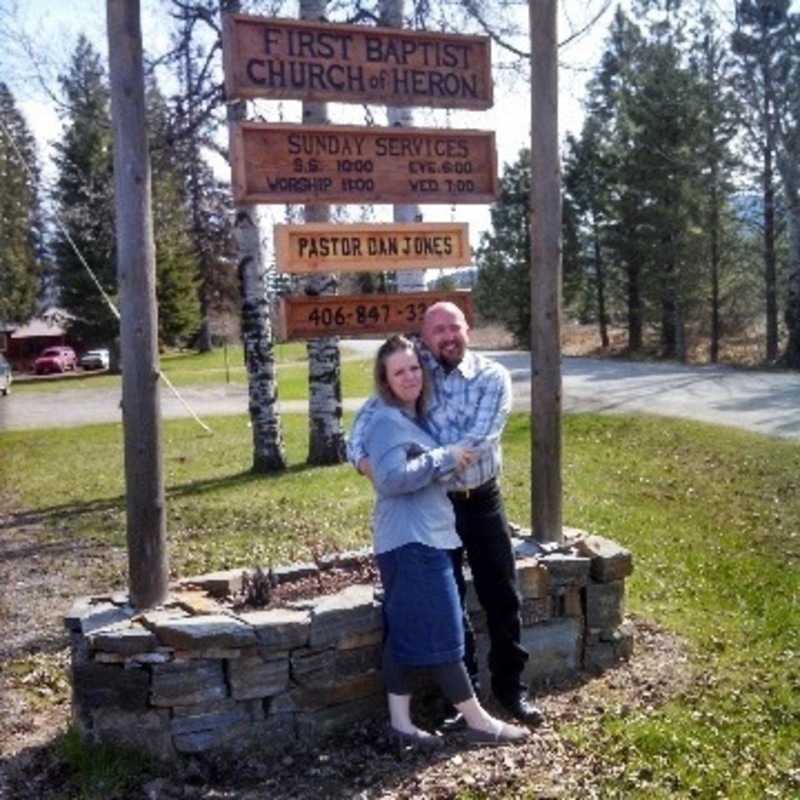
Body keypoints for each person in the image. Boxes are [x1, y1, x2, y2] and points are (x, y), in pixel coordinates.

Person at [348, 303, 544, 726]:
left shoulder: (493, 377)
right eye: (437, 331)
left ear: (468, 330)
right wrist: (367, 464)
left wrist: (425, 463)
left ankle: (512, 690)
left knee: (502, 596)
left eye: (453, 328)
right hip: (437, 506)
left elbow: (478, 443)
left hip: (483, 500)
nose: (447, 337)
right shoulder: (417, 370)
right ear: (425, 336)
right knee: (448, 602)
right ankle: (464, 698)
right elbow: (363, 427)